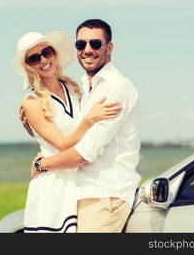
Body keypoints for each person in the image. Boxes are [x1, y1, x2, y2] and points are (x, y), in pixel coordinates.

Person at [30, 19, 142, 233]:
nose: (87, 50)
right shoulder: (85, 87)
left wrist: (42, 164)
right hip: (82, 194)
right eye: (81, 45)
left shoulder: (116, 88)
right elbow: (69, 135)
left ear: (109, 48)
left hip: (105, 195)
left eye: (95, 44)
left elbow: (84, 153)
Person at [12, 30, 122, 233]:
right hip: (53, 186)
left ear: (55, 52)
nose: (43, 59)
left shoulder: (74, 88)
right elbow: (61, 143)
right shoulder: (31, 102)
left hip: (79, 180)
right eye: (35, 58)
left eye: (47, 52)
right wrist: (89, 119)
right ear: (29, 66)